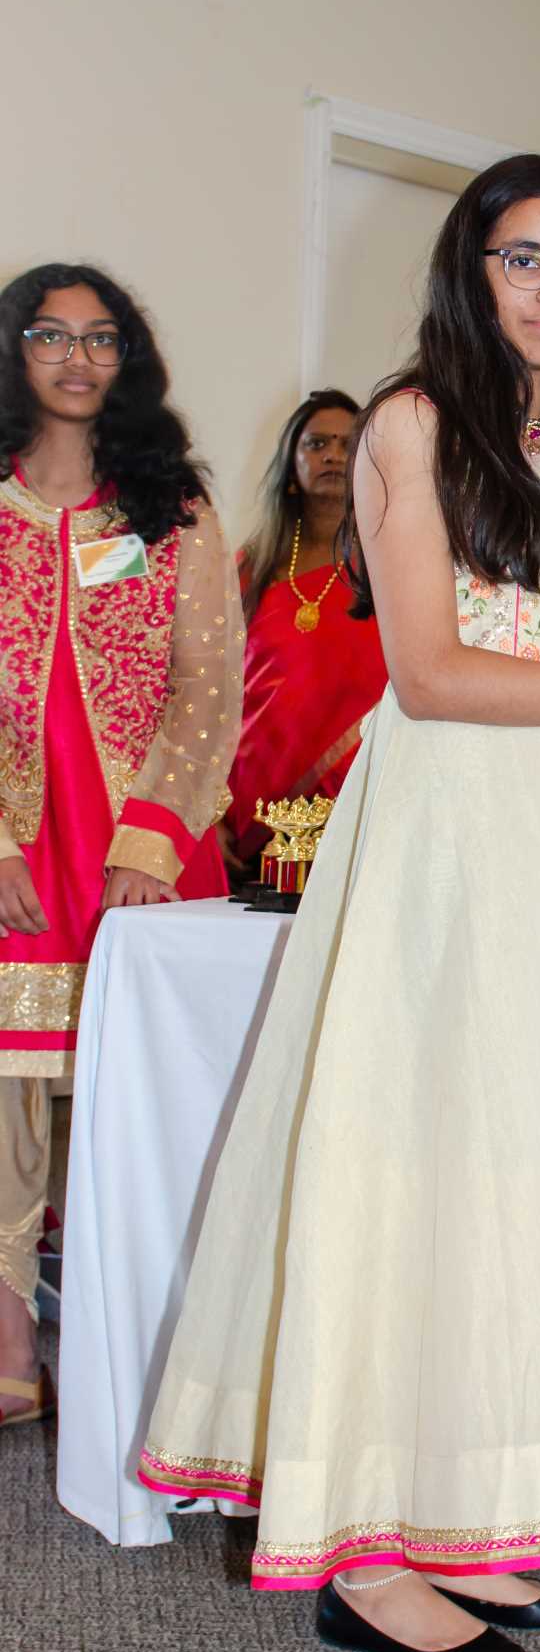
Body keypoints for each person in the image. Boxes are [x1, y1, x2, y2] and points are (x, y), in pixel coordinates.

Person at [140, 153, 540, 1652]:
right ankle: (364, 1553)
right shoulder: (414, 423)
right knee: (414, 1170)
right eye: (526, 259)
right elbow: (430, 673)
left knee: (513, 1180)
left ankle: (464, 1514)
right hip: (449, 854)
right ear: (468, 270)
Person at [0, 262, 242, 1430]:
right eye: (51, 334)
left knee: (141, 1090)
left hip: (144, 844)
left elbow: (210, 683)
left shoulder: (170, 508)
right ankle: (9, 1337)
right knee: (5, 1090)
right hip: (15, 843)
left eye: (101, 338)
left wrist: (152, 840)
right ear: (16, 350)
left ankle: (136, 1332)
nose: (77, 357)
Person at [227, 389, 387, 870]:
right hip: (253, 809)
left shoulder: (390, 565)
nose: (333, 455)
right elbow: (210, 691)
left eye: (347, 444)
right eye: (317, 444)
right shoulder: (250, 569)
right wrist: (209, 812)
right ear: (290, 463)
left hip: (362, 801)